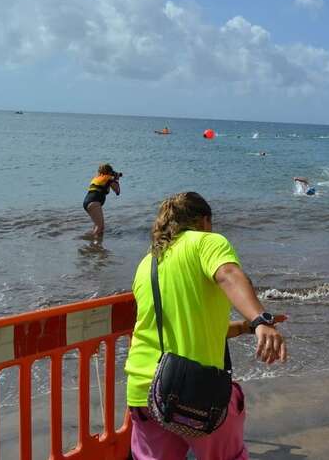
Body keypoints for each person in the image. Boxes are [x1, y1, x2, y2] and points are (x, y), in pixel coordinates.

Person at [124, 192, 288, 460]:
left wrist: (244, 327)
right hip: (195, 392)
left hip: (143, 389)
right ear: (204, 221)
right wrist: (260, 319)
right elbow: (228, 274)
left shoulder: (147, 263)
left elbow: (179, 327)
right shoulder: (207, 242)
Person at [82, 163, 121, 240]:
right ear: (110, 172)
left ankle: (93, 240)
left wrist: (113, 179)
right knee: (100, 226)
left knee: (97, 225)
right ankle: (95, 244)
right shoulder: (109, 178)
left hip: (88, 202)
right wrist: (116, 179)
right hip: (94, 202)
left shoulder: (97, 178)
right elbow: (117, 191)